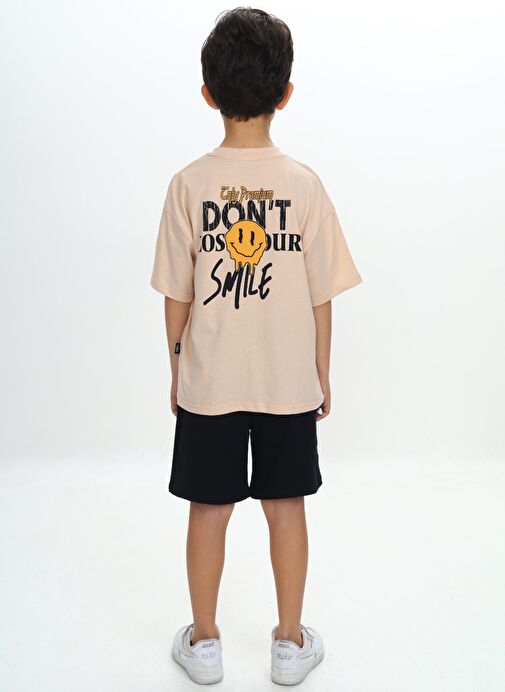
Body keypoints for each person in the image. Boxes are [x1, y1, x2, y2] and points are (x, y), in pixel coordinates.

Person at [150, 7, 363, 686]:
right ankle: (290, 642)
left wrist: (178, 369)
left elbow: (176, 296)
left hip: (210, 380)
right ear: (286, 93)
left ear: (207, 93)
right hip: (286, 382)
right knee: (286, 507)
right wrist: (320, 373)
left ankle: (204, 641)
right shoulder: (303, 184)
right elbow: (320, 294)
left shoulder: (188, 185)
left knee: (208, 510)